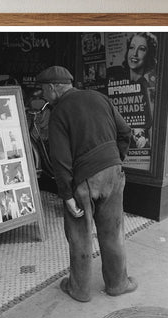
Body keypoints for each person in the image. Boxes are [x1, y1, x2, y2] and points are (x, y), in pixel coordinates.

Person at [36, 65, 138, 302]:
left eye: (43, 90)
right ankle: (118, 284)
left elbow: (60, 159)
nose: (42, 95)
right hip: (113, 172)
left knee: (79, 235)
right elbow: (125, 132)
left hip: (83, 179)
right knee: (112, 231)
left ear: (53, 88)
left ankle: (79, 290)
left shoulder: (59, 112)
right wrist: (115, 160)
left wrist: (67, 195)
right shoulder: (99, 98)